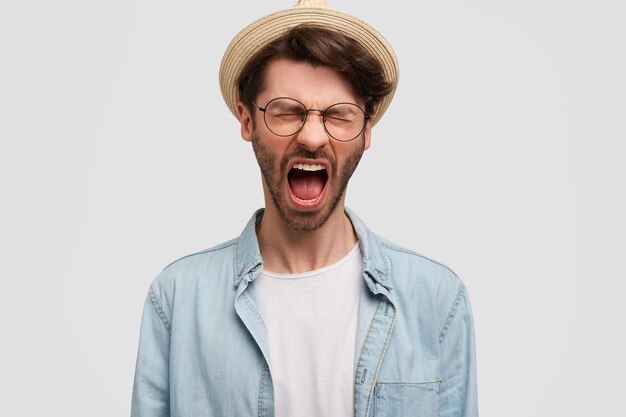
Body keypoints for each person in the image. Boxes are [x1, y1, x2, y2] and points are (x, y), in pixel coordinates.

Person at [130, 1, 478, 416]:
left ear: (366, 129)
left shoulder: (437, 300)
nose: (312, 136)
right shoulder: (177, 300)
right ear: (247, 121)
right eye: (287, 111)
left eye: (339, 115)